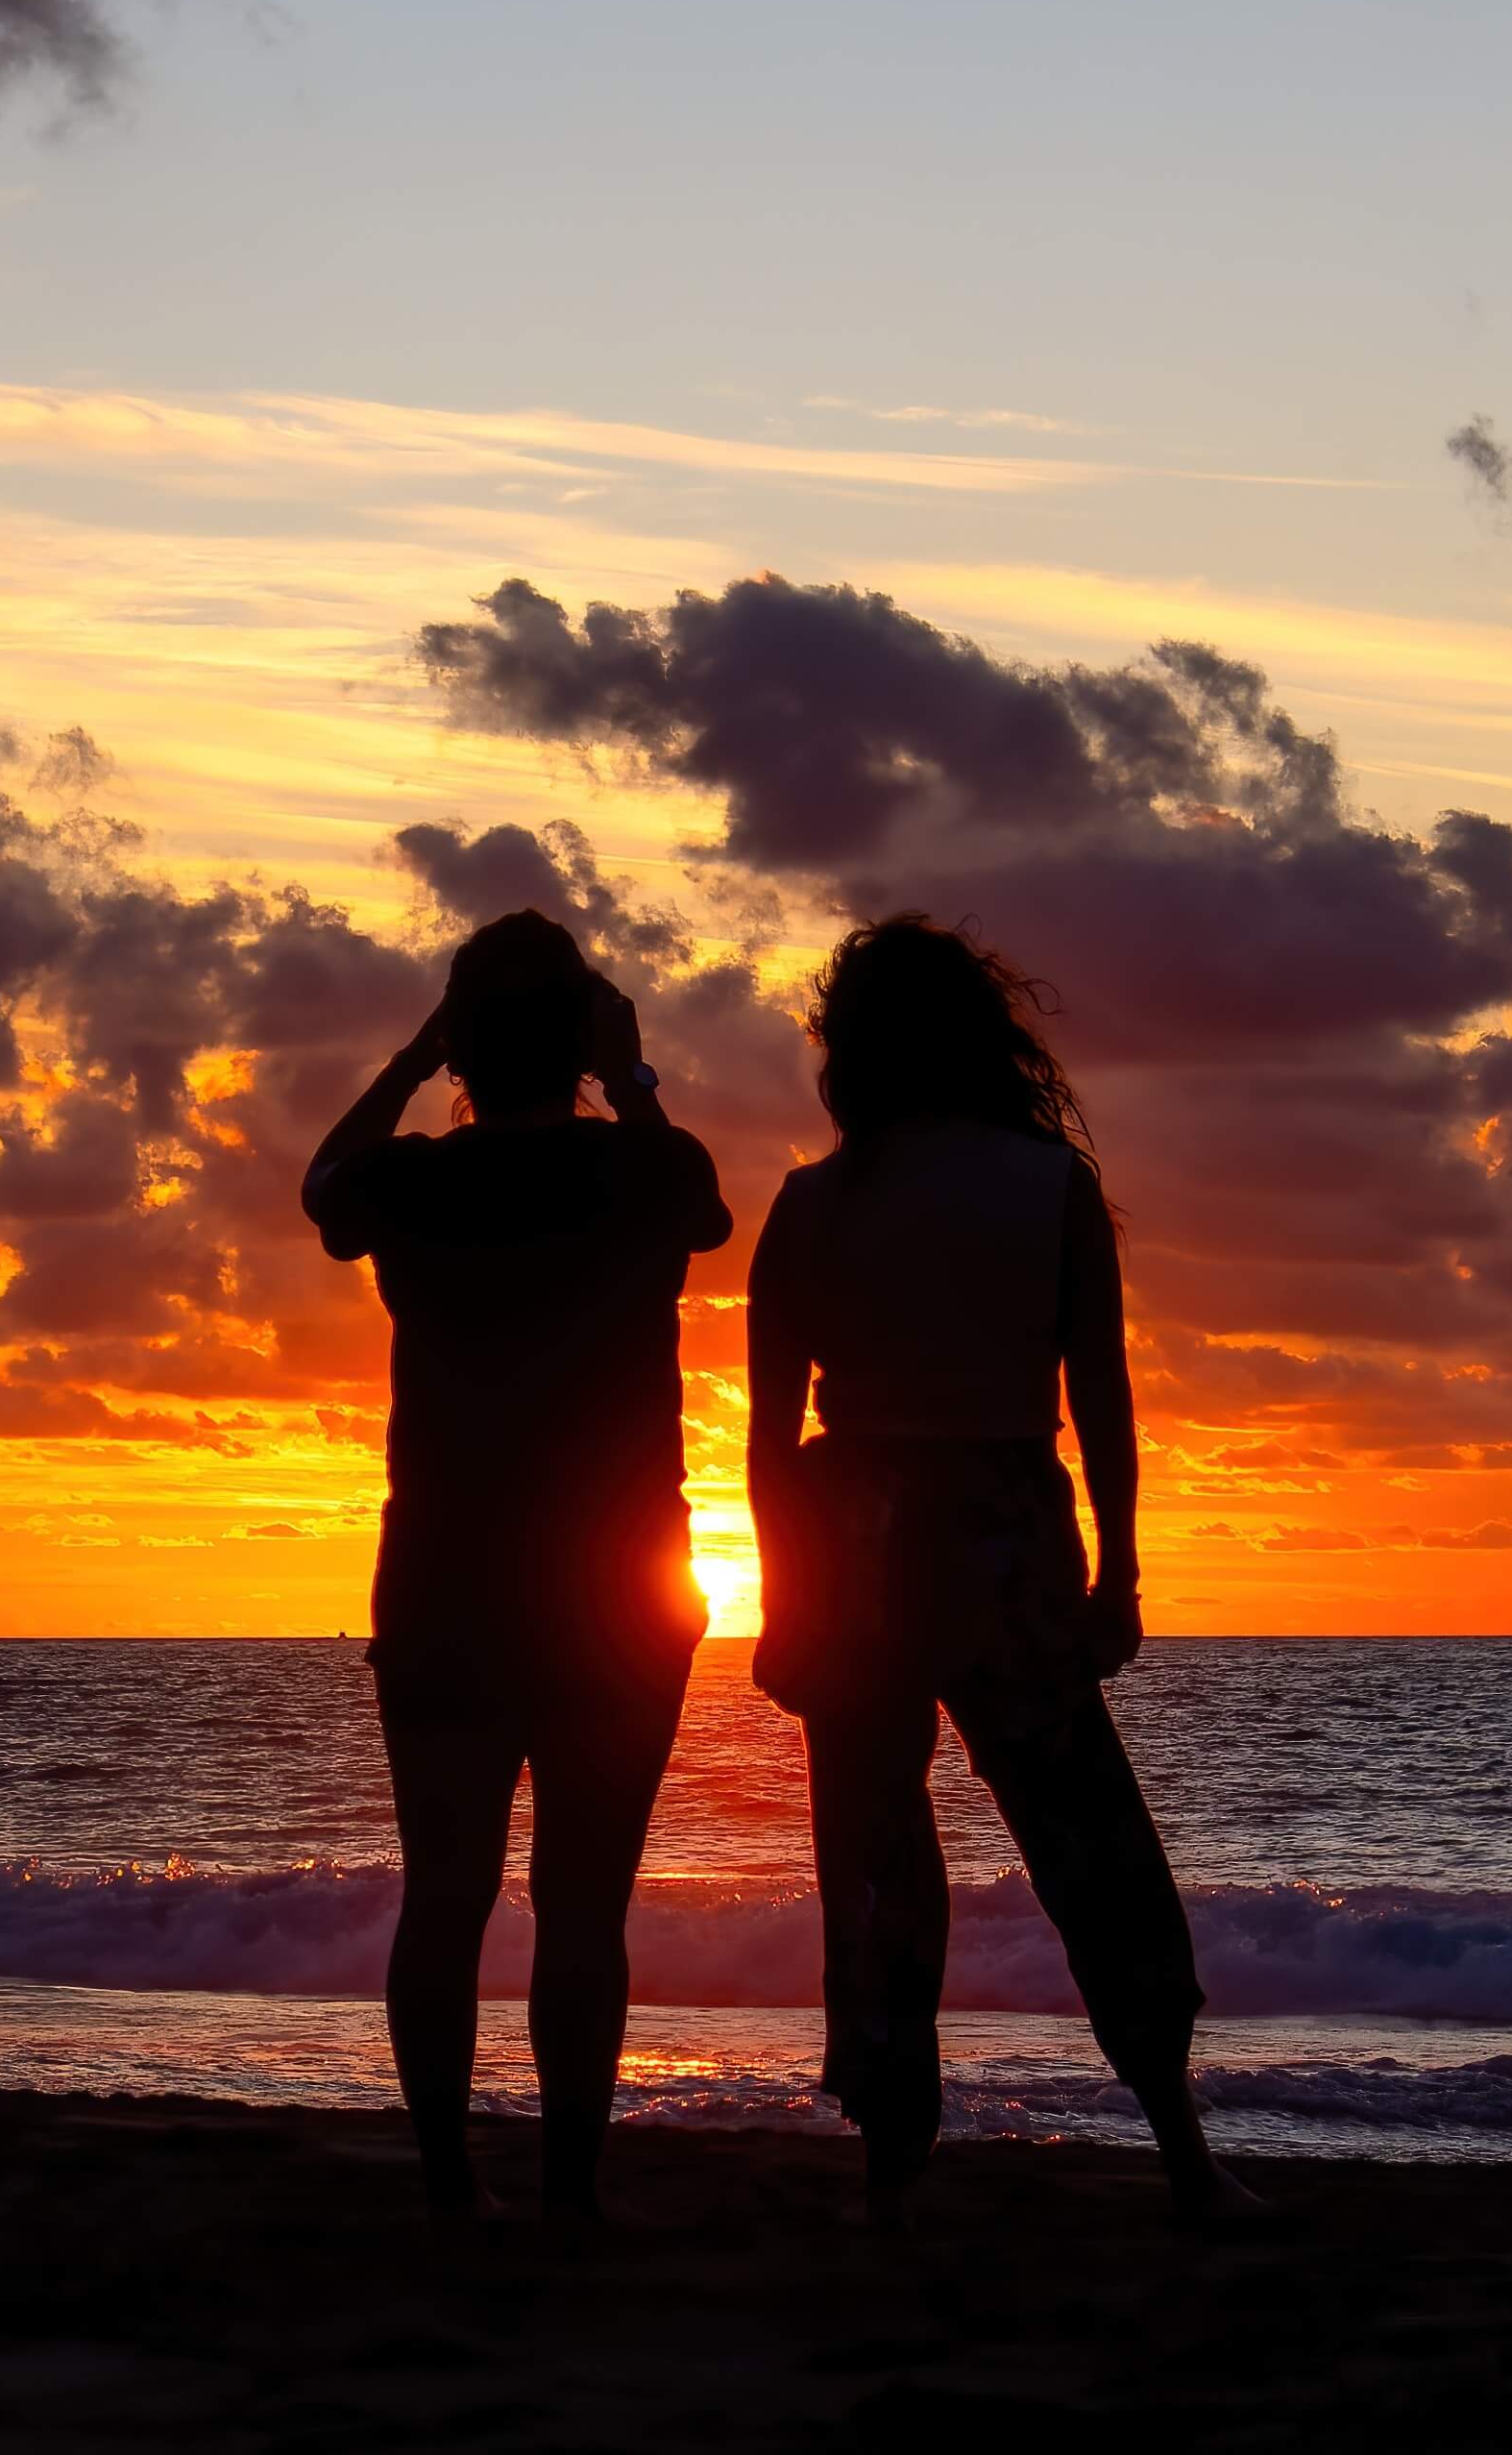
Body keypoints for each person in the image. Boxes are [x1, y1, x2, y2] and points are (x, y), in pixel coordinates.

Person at [744, 915, 1245, 2221]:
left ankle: (889, 2160)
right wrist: (1119, 1576)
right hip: (1003, 1519)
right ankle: (1181, 2150)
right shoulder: (1044, 1185)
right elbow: (1103, 1399)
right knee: (1087, 1838)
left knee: (872, 1850)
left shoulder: (812, 1200)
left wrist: (787, 1595)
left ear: (850, 1053)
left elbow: (767, 1435)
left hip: (851, 1532)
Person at [301, 911, 730, 2222]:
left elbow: (326, 1187)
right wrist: (639, 1073)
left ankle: (446, 2181)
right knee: (582, 1906)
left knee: (445, 1895)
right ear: (586, 1042)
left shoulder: (417, 1182)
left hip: (445, 1587)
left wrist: (414, 1056)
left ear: (463, 1048)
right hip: (616, 1595)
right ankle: (570, 2189)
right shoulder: (641, 1172)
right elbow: (703, 1217)